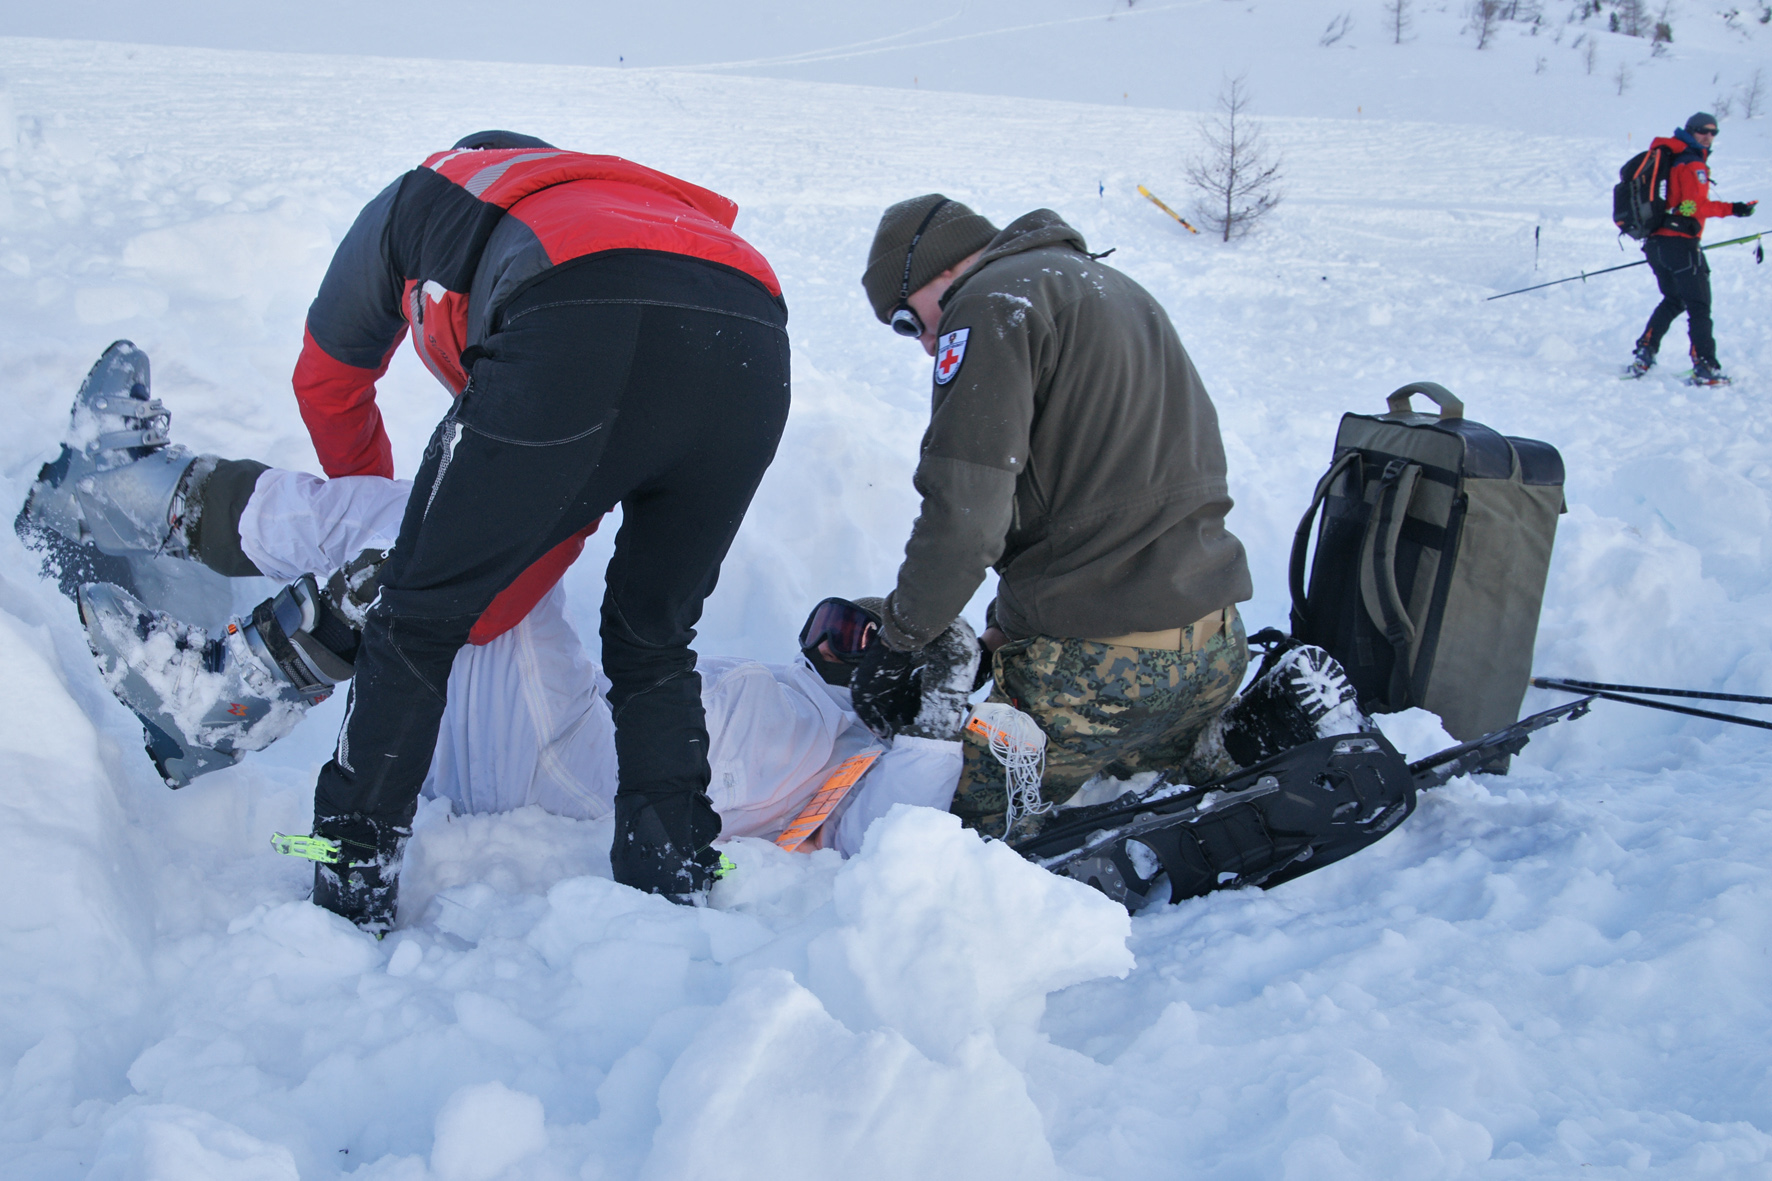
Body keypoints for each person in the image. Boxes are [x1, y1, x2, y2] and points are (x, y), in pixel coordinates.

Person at [26, 128, 795, 929]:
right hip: (752, 339)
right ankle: (670, 879)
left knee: (417, 613)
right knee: (654, 638)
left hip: (579, 312)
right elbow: (545, 512)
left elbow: (327, 381)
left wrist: (388, 541)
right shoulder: (599, 205)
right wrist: (407, 535)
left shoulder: (431, 197)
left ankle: (350, 876)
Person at [853, 195, 1255, 837]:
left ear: (939, 272)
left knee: (926, 831)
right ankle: (1216, 743)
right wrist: (1001, 635)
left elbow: (965, 517)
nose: (926, 345)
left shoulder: (989, 304)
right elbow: (1094, 497)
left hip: (1097, 678)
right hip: (1214, 643)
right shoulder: (1111, 288)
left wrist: (904, 638)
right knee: (1145, 761)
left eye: (907, 321)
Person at [1627, 112, 1758, 386]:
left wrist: (1681, 210)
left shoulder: (1673, 157)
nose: (1708, 136)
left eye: (1714, 132)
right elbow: (1692, 206)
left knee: (1674, 299)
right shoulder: (1692, 163)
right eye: (1703, 131)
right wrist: (1733, 208)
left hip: (1655, 243)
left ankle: (1645, 351)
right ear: (1690, 130)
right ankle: (1705, 366)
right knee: (1699, 306)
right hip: (1680, 244)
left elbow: (1681, 205)